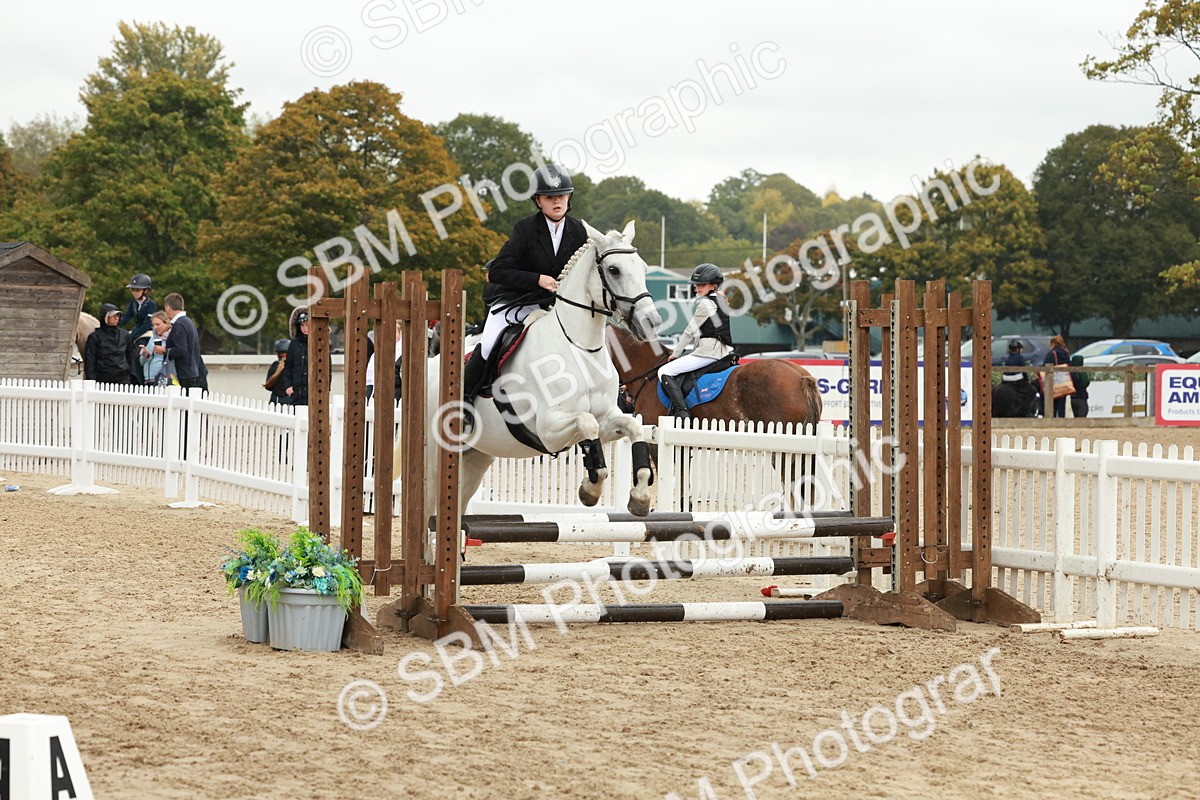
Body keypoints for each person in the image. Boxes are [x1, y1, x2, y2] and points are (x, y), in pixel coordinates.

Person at [461, 164, 588, 415]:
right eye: (550, 197)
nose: (557, 202)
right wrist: (536, 279)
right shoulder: (526, 229)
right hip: (516, 304)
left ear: (569, 197)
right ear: (538, 200)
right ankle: (463, 405)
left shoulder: (580, 231)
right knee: (487, 345)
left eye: (561, 196)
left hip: (554, 308)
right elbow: (498, 271)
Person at [656, 263, 734, 420]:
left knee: (664, 371)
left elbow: (689, 331)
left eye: (702, 285)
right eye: (696, 285)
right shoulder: (721, 301)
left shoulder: (705, 304)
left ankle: (682, 411)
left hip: (708, 353)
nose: (697, 288)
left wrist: (676, 354)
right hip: (723, 351)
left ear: (713, 286)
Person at [158, 293, 207, 392]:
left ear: (168, 307)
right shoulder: (188, 322)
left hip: (184, 374)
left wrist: (164, 351)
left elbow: (181, 350)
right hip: (192, 371)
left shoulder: (179, 324)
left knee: (183, 404)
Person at [120, 273, 157, 384]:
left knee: (137, 354)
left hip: (147, 333)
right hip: (136, 331)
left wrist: (131, 335)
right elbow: (126, 317)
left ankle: (139, 380)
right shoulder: (133, 303)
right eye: (133, 290)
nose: (134, 292)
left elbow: (146, 325)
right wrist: (115, 321)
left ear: (145, 291)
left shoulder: (151, 305)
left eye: (137, 290)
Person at [84, 304, 133, 384]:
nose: (116, 318)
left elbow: (130, 356)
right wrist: (91, 380)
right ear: (105, 317)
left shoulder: (125, 335)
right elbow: (90, 360)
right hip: (102, 378)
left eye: (118, 315)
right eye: (113, 315)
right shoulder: (95, 337)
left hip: (122, 378)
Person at [992, 339, 1037, 417]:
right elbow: (1023, 372)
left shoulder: (1008, 358)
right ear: (1018, 349)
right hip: (1017, 382)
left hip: (1006, 381)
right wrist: (1027, 381)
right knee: (1032, 390)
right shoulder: (1020, 358)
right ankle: (1027, 412)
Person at [365, 321, 403, 402]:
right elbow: (370, 381)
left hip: (396, 397)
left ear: (400, 333)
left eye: (394, 332)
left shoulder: (404, 353)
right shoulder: (376, 354)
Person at [281, 309, 311, 405]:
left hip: (315, 393)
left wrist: (327, 388)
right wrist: (288, 385)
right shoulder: (294, 344)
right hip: (297, 393)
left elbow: (327, 369)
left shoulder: (320, 343)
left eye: (307, 324)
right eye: (302, 325)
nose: (304, 328)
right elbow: (288, 367)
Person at [137, 311, 175, 386]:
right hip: (148, 379)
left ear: (167, 324)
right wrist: (144, 354)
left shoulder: (173, 339)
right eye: (153, 325)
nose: (155, 327)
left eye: (158, 324)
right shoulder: (152, 338)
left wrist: (164, 351)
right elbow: (142, 362)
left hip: (163, 379)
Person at [1042, 334, 1073, 418]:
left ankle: (1053, 419)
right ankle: (1061, 419)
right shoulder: (1066, 353)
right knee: (1062, 403)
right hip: (1064, 381)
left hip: (1054, 381)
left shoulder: (1051, 353)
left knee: (1053, 403)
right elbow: (1069, 366)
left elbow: (1045, 366)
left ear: (1053, 343)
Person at [263, 338, 290, 404]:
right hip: (290, 400)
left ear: (277, 354)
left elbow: (268, 387)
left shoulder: (274, 366)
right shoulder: (294, 366)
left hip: (275, 400)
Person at [1069, 354, 1091, 418]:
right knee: (1083, 415)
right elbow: (1085, 383)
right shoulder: (1081, 372)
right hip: (1081, 397)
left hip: (1073, 398)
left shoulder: (1070, 372)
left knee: (1076, 416)